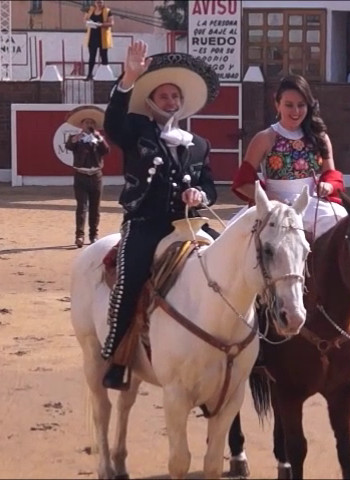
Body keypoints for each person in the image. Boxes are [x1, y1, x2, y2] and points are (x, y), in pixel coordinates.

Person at [229, 74, 350, 350]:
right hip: (276, 206)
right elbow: (243, 181)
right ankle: (247, 322)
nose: (295, 111)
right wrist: (270, 201)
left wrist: (328, 186)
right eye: (289, 104)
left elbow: (331, 174)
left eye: (301, 105)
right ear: (277, 104)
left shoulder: (319, 137)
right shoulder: (265, 138)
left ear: (309, 106)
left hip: (315, 202)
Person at [100, 41, 221, 390]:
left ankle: (250, 350)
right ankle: (117, 358)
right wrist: (128, 79)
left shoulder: (198, 144)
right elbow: (111, 124)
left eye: (175, 97)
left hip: (190, 224)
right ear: (152, 100)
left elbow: (210, 188)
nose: (170, 102)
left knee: (236, 263)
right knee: (130, 278)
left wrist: (200, 194)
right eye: (164, 96)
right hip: (147, 224)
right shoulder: (136, 129)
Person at [65, 105, 110, 248]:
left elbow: (106, 151)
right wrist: (77, 138)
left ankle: (93, 235)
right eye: (87, 123)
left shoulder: (98, 139)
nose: (89, 125)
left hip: (96, 175)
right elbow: (69, 146)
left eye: (92, 123)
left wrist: (99, 139)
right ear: (82, 125)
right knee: (82, 207)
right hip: (81, 175)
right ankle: (79, 235)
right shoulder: (75, 138)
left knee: (95, 208)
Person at [84, 0, 114, 81]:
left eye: (100, 2)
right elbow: (85, 20)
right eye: (97, 2)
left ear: (103, 2)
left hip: (102, 37)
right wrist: (90, 23)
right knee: (92, 57)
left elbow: (111, 23)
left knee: (103, 56)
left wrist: (100, 24)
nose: (99, 4)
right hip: (92, 36)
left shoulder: (107, 11)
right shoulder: (90, 10)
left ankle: (106, 75)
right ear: (95, 3)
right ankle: (89, 75)